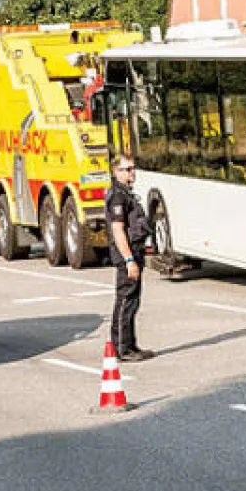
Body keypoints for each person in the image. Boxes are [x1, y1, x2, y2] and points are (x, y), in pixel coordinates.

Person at [105, 154, 154, 362]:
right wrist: (128, 260)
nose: (131, 172)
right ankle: (122, 349)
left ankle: (130, 345)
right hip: (128, 253)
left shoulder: (126, 193)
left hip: (135, 251)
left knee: (132, 301)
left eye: (133, 168)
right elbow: (118, 230)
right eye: (126, 169)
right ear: (116, 172)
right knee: (125, 300)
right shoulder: (118, 196)